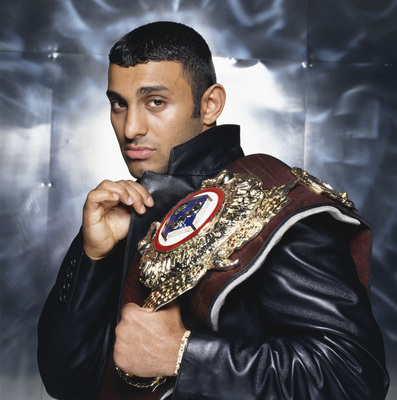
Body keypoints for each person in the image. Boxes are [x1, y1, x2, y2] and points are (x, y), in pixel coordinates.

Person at [37, 21, 389, 400]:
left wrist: (184, 356)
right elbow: (66, 382)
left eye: (155, 101)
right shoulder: (132, 209)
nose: (130, 127)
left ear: (210, 105)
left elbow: (354, 375)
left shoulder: (270, 201)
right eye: (119, 104)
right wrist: (94, 257)